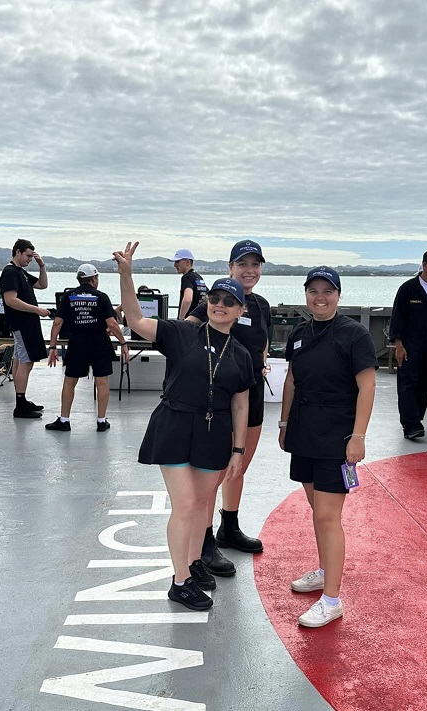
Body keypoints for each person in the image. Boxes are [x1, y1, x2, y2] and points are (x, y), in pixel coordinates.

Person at [115, 241, 254, 612]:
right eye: (215, 299)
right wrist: (127, 277)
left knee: (204, 501)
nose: (220, 305)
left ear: (240, 310)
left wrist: (238, 450)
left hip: (214, 432)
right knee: (187, 503)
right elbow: (136, 320)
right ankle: (180, 582)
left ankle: (193, 564)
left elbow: (241, 403)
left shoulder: (240, 355)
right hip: (175, 424)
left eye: (229, 302)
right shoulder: (182, 333)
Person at [278, 267, 377, 628]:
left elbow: (367, 388)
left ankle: (332, 600)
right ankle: (324, 570)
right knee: (315, 507)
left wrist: (358, 436)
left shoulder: (354, 334)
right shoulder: (300, 333)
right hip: (304, 430)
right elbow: (291, 379)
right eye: (313, 290)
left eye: (327, 290)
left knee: (327, 516)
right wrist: (285, 422)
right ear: (306, 294)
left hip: (337, 434)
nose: (320, 297)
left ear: (338, 294)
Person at [187, 239, 271, 576]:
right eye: (242, 264)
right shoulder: (218, 301)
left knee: (238, 468)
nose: (249, 270)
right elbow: (188, 334)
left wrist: (260, 363)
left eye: (255, 264)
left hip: (251, 397)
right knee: (213, 474)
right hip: (220, 402)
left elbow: (260, 343)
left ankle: (229, 527)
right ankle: (205, 542)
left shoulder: (261, 305)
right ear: (230, 267)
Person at [45, 264, 129, 432]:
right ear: (94, 279)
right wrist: (123, 343)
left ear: (79, 279)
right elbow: (112, 324)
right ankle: (101, 421)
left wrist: (53, 347)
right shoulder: (101, 297)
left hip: (77, 343)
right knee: (102, 381)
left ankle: (64, 420)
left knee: (70, 382)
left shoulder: (68, 297)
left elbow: (57, 323)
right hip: (99, 343)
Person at [390, 248, 427, 439]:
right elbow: (397, 318)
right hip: (409, 345)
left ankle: (417, 419)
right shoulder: (407, 289)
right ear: (424, 265)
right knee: (407, 383)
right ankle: (410, 424)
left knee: (424, 383)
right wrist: (399, 345)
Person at [0, 239, 50, 418]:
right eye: (28, 255)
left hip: (27, 324)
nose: (30, 259)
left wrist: (41, 265)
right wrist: (37, 310)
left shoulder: (21, 273)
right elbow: (10, 300)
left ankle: (21, 399)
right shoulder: (10, 272)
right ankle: (20, 404)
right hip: (21, 324)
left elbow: (43, 285)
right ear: (18, 252)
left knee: (20, 360)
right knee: (26, 361)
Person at [169, 249, 208, 319]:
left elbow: (188, 299)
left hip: (189, 323)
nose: (175, 265)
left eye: (177, 261)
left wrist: (180, 319)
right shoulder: (199, 278)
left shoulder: (186, 278)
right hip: (200, 322)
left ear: (187, 262)